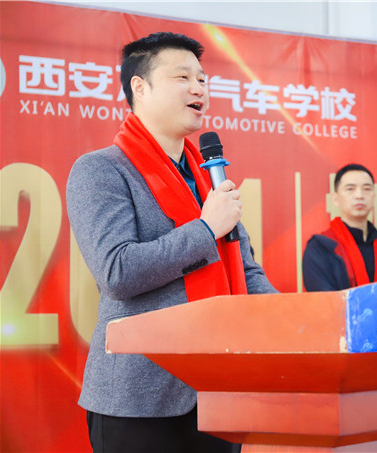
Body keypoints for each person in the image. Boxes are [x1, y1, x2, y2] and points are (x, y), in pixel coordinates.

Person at [66, 32, 277, 453]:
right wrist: (205, 229)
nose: (198, 88)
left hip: (218, 391)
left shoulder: (209, 177)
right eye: (182, 77)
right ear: (139, 88)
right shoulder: (100, 170)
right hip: (138, 400)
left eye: (202, 79)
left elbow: (245, 269)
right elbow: (117, 272)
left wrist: (291, 322)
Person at [302, 163, 377, 291]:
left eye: (367, 189)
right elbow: (324, 300)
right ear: (335, 199)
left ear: (374, 197)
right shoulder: (320, 247)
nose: (359, 195)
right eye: (350, 189)